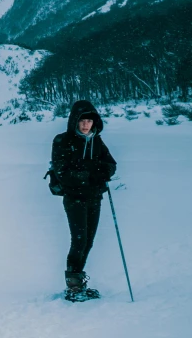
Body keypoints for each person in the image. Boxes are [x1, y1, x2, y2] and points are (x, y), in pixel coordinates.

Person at [51, 100, 117, 302]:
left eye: (89, 120)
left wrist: (100, 173)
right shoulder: (62, 141)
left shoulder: (97, 140)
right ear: (74, 122)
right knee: (79, 240)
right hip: (74, 198)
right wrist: (90, 174)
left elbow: (111, 164)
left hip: (95, 197)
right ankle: (73, 285)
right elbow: (62, 171)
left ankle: (78, 281)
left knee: (88, 240)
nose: (86, 124)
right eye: (82, 121)